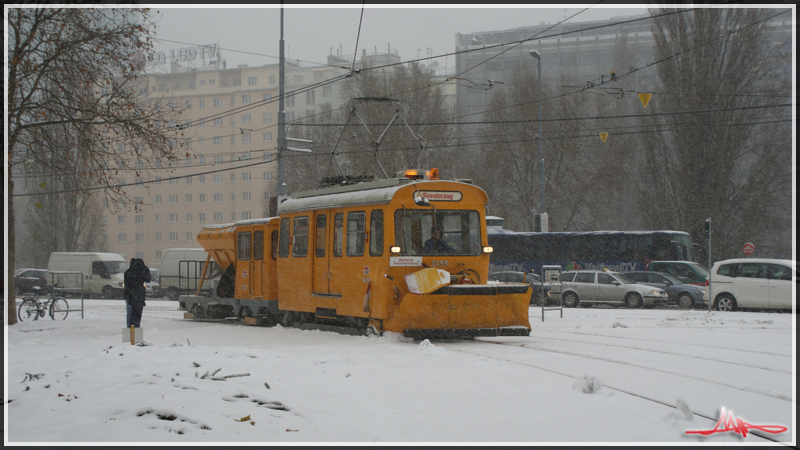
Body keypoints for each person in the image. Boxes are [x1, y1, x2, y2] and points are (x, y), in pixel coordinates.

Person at [124, 258, 151, 328]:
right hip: (138, 296)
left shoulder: (128, 272)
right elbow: (148, 279)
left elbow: (127, 284)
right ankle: (135, 330)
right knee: (137, 314)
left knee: (130, 314)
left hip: (130, 295)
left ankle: (130, 329)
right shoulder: (141, 272)